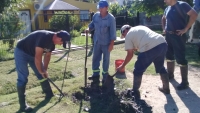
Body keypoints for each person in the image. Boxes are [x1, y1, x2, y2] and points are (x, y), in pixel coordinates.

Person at [14, 30, 71, 112]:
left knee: (42, 74)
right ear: (58, 37)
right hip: (21, 52)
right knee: (23, 76)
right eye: (62, 42)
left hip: (32, 54)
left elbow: (47, 56)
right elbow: (38, 56)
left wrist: (44, 70)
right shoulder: (44, 37)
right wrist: (41, 70)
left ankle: (49, 94)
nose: (61, 44)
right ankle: (23, 106)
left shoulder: (52, 45)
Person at [117, 25, 170, 100]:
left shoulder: (128, 36)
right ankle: (166, 88)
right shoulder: (140, 27)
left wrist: (122, 66)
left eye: (123, 35)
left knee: (138, 69)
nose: (124, 37)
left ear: (125, 30)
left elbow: (130, 54)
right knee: (160, 67)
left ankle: (135, 92)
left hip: (150, 46)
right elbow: (146, 38)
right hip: (162, 43)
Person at [162, 0, 197, 90]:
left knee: (180, 58)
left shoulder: (182, 5)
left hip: (178, 35)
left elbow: (194, 15)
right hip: (168, 35)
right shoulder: (167, 8)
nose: (164, 1)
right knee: (169, 56)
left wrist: (185, 29)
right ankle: (170, 75)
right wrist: (164, 28)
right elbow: (163, 18)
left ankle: (185, 82)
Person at [86, 0, 116, 88]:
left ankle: (105, 76)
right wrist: (89, 29)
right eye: (99, 7)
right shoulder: (95, 16)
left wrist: (111, 44)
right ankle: (95, 74)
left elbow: (113, 32)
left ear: (107, 8)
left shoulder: (111, 18)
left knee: (106, 60)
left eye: (102, 7)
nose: (100, 9)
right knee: (95, 58)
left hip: (106, 43)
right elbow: (92, 25)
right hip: (97, 42)